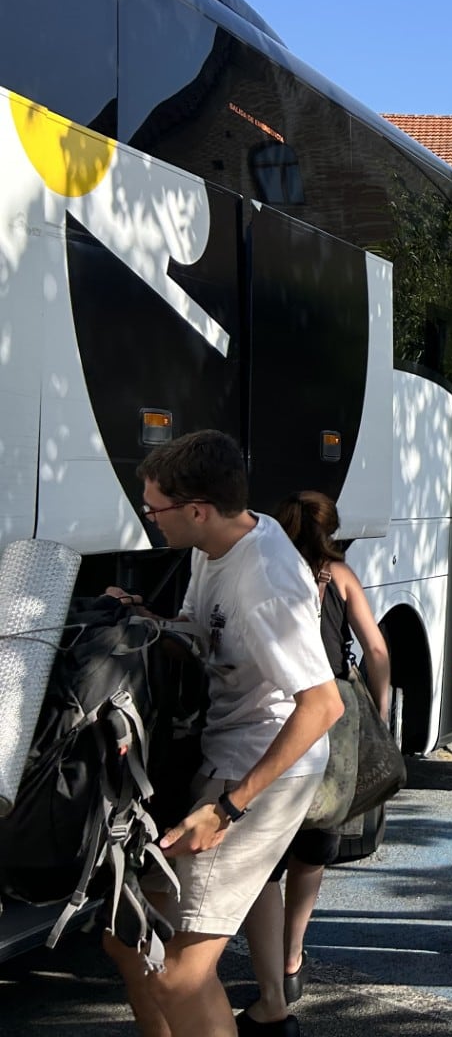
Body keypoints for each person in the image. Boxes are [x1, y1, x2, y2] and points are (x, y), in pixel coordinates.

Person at [102, 431, 345, 1037]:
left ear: (197, 510)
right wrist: (149, 617)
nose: (149, 519)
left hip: (261, 772)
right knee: (125, 936)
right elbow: (208, 634)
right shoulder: (211, 548)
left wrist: (228, 808)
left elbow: (322, 706)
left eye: (155, 508)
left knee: (182, 975)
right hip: (222, 752)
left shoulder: (264, 579)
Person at [239, 492, 392, 1028]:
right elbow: (375, 648)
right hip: (334, 715)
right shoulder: (338, 574)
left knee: (268, 852)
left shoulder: (270, 569)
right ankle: (292, 958)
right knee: (315, 844)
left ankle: (267, 970)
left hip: (282, 711)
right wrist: (382, 708)